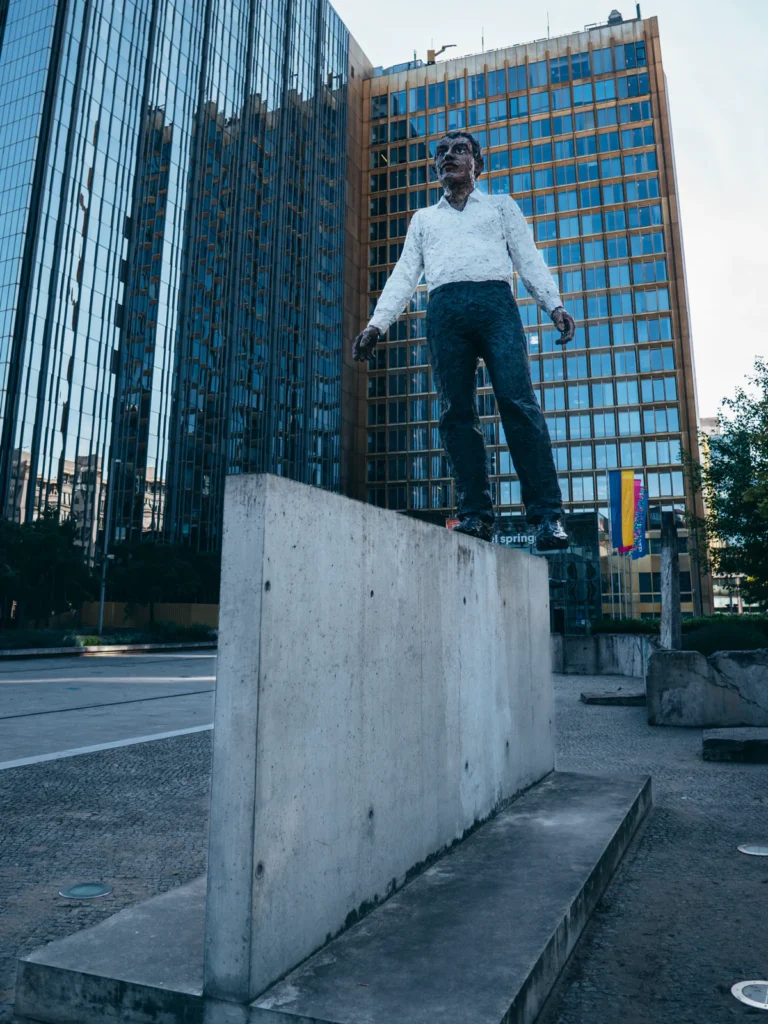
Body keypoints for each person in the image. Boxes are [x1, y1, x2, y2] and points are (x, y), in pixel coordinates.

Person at [353, 130, 575, 550]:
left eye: (459, 150)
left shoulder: (500, 208)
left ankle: (547, 516)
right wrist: (376, 325)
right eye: (441, 152)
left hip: (496, 306)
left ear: (478, 163)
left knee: (518, 403)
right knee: (456, 413)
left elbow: (528, 258)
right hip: (445, 312)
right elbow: (404, 274)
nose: (448, 157)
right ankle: (475, 514)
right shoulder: (424, 220)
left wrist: (554, 305)